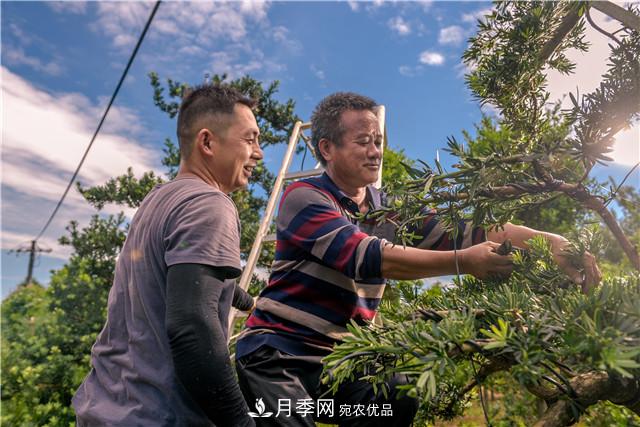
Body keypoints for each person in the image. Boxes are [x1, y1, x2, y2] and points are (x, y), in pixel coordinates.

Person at [235, 92, 601, 427]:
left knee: (396, 394)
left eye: (378, 141)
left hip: (337, 367)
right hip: (279, 358)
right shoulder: (305, 197)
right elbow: (364, 256)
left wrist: (551, 242)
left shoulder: (390, 210)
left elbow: (470, 229)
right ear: (327, 148)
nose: (375, 151)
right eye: (363, 142)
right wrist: (463, 262)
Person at [73, 84, 263, 426]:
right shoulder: (209, 205)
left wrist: (250, 304)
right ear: (207, 142)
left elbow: (191, 275)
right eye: (250, 139)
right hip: (159, 416)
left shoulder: (159, 200)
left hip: (106, 406)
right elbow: (193, 329)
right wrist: (241, 422)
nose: (259, 153)